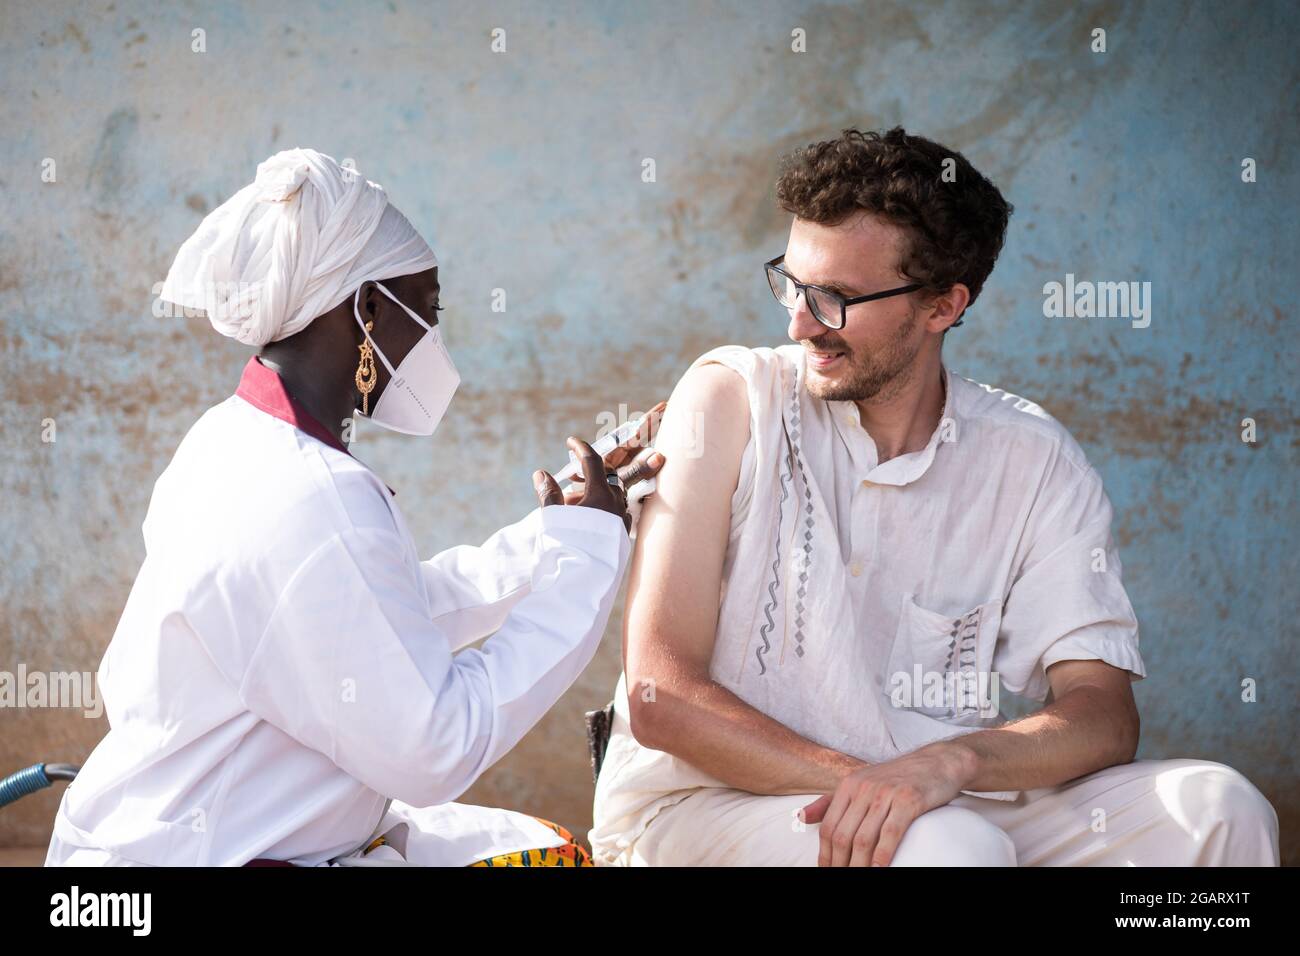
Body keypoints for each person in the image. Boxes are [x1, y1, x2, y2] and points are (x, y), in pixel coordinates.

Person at [588, 127, 1280, 867]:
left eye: (836, 300)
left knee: (1220, 809)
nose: (798, 322)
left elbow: (1102, 715)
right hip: (704, 811)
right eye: (791, 283)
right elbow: (663, 699)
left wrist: (949, 766)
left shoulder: (1032, 458)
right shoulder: (730, 399)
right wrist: (884, 788)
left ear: (943, 307)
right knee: (946, 847)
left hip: (944, 803)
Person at [45, 148, 663, 867]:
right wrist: (582, 565)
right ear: (368, 309)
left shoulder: (235, 439)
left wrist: (552, 541)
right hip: (203, 856)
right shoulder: (311, 497)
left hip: (177, 835)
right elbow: (436, 748)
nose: (432, 338)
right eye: (427, 311)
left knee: (532, 846)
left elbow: (376, 617)